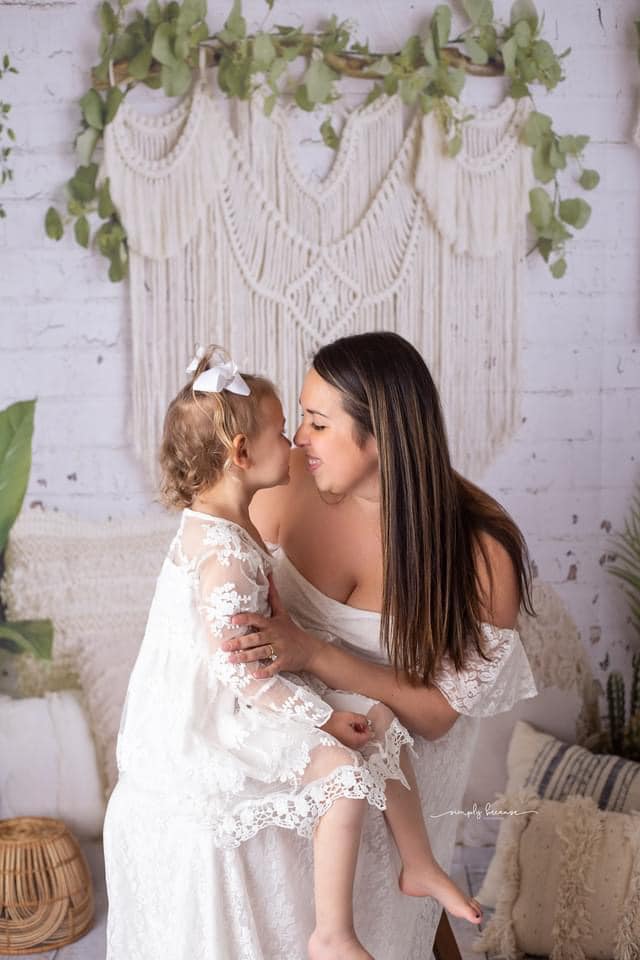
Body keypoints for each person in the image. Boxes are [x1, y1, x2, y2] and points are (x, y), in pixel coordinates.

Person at [103, 344, 484, 960]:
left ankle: (418, 863)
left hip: (263, 684)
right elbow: (242, 675)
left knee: (381, 718)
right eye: (285, 430)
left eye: (311, 425)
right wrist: (325, 719)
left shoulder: (235, 524)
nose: (297, 442)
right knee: (345, 778)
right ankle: (332, 933)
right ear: (241, 454)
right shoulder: (223, 551)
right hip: (226, 715)